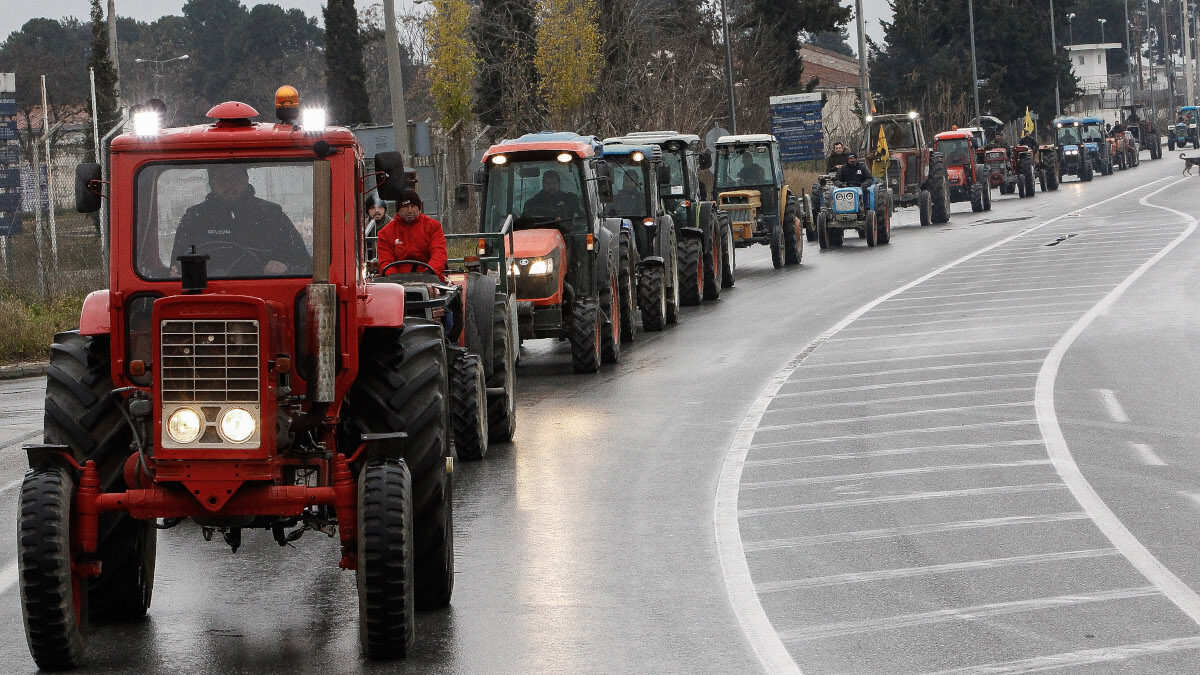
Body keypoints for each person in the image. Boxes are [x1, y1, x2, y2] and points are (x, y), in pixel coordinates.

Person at [171, 163, 311, 277]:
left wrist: (284, 266)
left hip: (264, 292)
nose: (229, 185)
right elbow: (179, 261)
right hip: (208, 295)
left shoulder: (271, 215)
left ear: (246, 178)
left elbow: (302, 262)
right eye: (222, 179)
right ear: (211, 182)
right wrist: (180, 272)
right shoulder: (195, 218)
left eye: (235, 178)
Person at [376, 190, 448, 277]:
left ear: (419, 208)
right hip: (397, 280)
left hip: (429, 276)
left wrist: (429, 272)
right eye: (405, 206)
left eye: (413, 206)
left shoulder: (433, 226)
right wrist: (395, 278)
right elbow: (385, 262)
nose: (410, 210)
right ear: (398, 209)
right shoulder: (385, 233)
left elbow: (439, 253)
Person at [364, 193, 387, 260]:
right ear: (368, 211)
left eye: (380, 207)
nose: (377, 210)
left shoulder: (393, 227)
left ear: (385, 209)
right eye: (372, 207)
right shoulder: (362, 229)